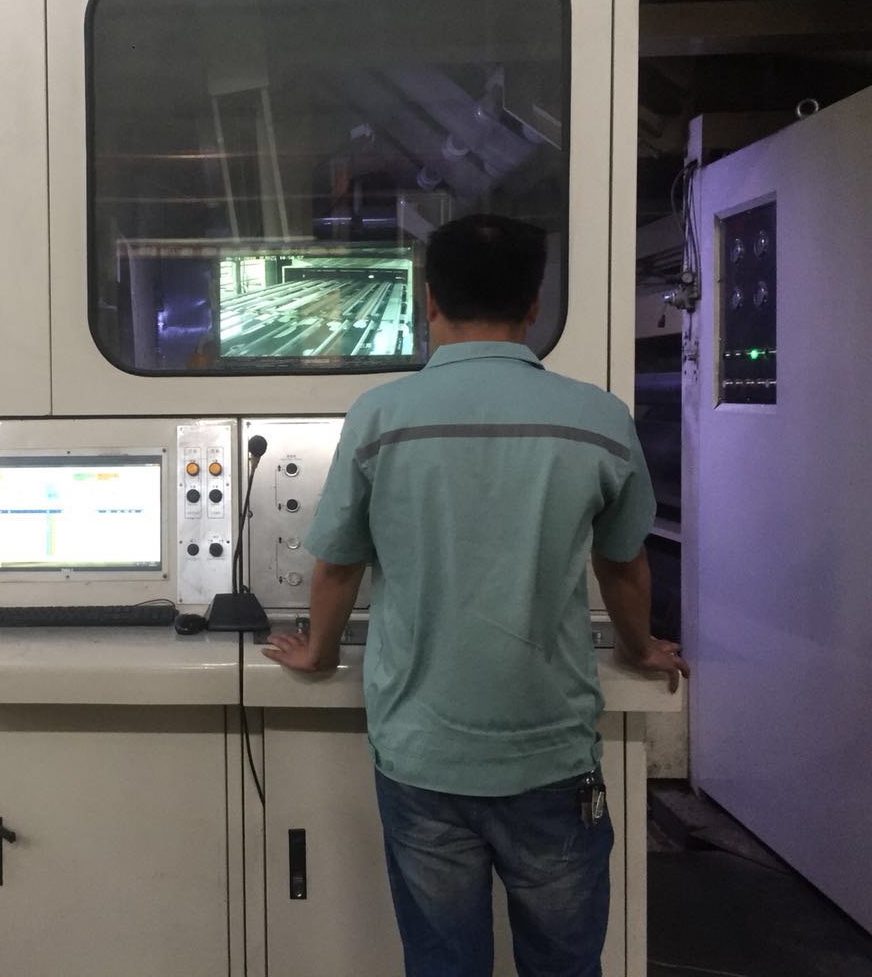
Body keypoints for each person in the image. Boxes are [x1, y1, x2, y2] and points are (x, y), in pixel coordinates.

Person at [262, 213, 688, 977]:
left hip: (422, 757)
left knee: (443, 963)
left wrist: (317, 654)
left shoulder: (380, 416)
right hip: (551, 753)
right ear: (535, 306)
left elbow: (337, 568)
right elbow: (622, 565)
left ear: (429, 300)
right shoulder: (598, 418)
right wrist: (641, 647)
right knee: (564, 964)